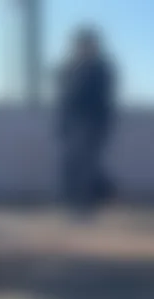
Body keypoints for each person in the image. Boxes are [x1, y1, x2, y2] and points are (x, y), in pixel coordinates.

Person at [56, 27, 115, 211]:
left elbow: (100, 98)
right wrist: (62, 123)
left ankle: (84, 205)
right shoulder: (71, 67)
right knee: (74, 164)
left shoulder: (100, 68)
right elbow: (64, 96)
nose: (82, 47)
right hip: (74, 122)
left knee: (85, 165)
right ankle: (77, 202)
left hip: (90, 123)